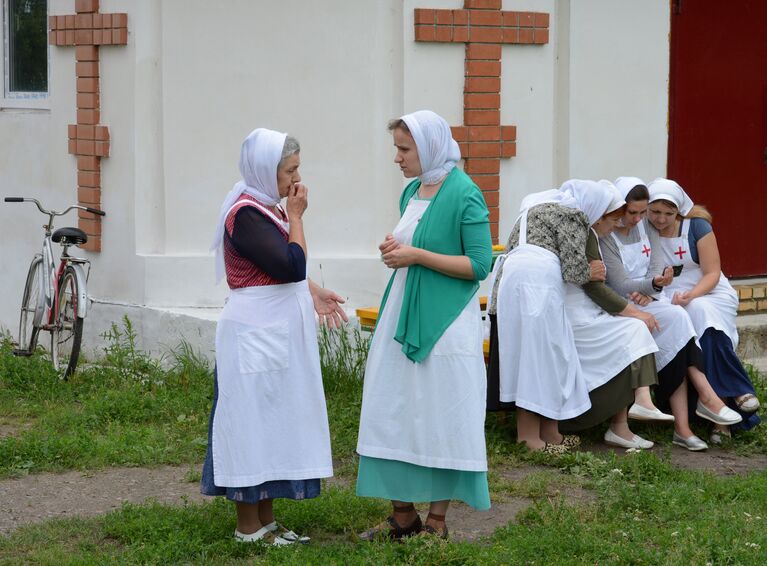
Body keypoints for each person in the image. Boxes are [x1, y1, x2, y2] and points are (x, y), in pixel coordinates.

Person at [201, 128, 348, 545]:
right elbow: (289, 265)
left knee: (273, 425)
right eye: (289, 170)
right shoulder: (246, 215)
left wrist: (313, 293)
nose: (295, 179)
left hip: (272, 334)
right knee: (250, 425)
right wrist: (299, 217)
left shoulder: (267, 209)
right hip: (254, 334)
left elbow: (281, 269)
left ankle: (266, 520)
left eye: (296, 168)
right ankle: (248, 527)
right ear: (266, 172)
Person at [356, 110, 492, 540]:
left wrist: (415, 256)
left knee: (440, 412)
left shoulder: (465, 193)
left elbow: (479, 264)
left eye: (404, 148)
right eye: (396, 147)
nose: (397, 157)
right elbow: (415, 242)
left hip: (446, 323)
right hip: (402, 313)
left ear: (430, 146)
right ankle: (403, 516)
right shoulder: (413, 190)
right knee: (394, 407)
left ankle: (436, 522)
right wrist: (396, 248)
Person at [600, 177, 742, 450]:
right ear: (619, 208)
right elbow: (618, 283)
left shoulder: (645, 227)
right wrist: (651, 285)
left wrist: (651, 288)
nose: (639, 219)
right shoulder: (608, 235)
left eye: (643, 212)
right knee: (663, 328)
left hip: (646, 298)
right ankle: (703, 404)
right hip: (620, 303)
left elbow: (656, 265)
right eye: (633, 212)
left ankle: (686, 422)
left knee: (679, 320)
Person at [487, 182, 600, 453]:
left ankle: (551, 432)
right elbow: (573, 270)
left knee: (541, 355)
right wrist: (592, 272)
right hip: (538, 286)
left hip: (512, 285)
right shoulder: (572, 214)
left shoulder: (531, 211)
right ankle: (529, 438)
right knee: (538, 358)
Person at [647, 178, 760, 441]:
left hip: (708, 291)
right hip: (666, 295)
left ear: (679, 211)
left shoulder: (697, 226)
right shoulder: (644, 230)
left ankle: (720, 409)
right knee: (687, 328)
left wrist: (691, 295)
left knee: (701, 315)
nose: (661, 219)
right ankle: (734, 394)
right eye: (655, 212)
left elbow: (712, 273)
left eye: (668, 213)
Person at [555, 181, 660, 450]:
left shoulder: (589, 234)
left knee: (634, 331)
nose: (616, 226)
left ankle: (628, 416)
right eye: (613, 220)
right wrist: (636, 313)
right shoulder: (585, 236)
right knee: (635, 329)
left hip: (587, 312)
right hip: (575, 317)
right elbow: (594, 288)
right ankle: (630, 412)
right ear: (598, 215)